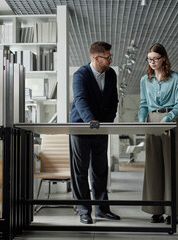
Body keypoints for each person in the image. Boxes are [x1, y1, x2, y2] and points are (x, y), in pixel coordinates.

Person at [138, 43, 178, 224]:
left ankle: (172, 211)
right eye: (149, 58)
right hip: (152, 122)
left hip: (170, 121)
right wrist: (141, 119)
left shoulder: (175, 78)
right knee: (153, 166)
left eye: (155, 58)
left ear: (164, 58)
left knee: (172, 166)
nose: (152, 62)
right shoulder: (145, 80)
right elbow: (144, 104)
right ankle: (156, 210)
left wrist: (167, 119)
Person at [69, 41, 120, 224]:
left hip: (101, 128)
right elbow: (80, 99)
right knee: (80, 171)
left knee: (100, 170)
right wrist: (90, 120)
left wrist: (107, 122)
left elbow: (113, 100)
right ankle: (84, 210)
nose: (111, 60)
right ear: (96, 58)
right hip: (81, 127)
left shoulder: (111, 74)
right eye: (107, 57)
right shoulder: (80, 74)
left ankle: (101, 209)